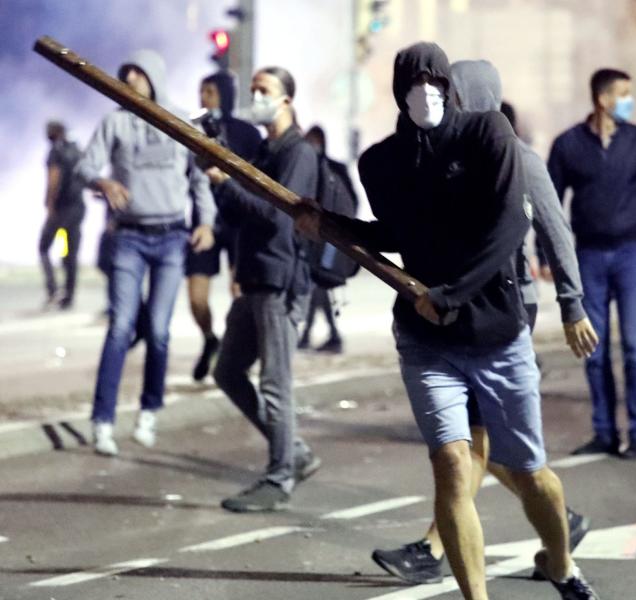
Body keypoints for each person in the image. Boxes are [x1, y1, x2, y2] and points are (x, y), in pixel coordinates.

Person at [299, 42, 599, 600]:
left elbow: (513, 225)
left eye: (435, 79)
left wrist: (561, 301)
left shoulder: (490, 135)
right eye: (412, 81)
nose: (425, 90)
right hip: (426, 339)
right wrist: (331, 225)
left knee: (530, 472)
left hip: (497, 331)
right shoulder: (383, 162)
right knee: (453, 466)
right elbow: (396, 234)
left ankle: (560, 562)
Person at [75, 50, 216, 456]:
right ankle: (102, 420)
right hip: (129, 239)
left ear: (155, 76)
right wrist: (103, 183)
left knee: (158, 330)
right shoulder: (115, 121)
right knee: (120, 327)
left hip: (172, 237)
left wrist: (205, 222)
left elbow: (200, 178)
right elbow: (85, 167)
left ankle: (149, 411)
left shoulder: (178, 121)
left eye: (138, 71)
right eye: (126, 72)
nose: (131, 77)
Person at [206, 66, 321, 513]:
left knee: (275, 386)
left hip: (280, 281)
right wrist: (219, 181)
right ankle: (295, 452)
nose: (255, 96)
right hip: (253, 278)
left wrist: (226, 183)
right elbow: (240, 214)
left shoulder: (298, 154)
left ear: (286, 100)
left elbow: (276, 214)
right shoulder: (262, 150)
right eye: (252, 88)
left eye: (264, 90)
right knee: (228, 371)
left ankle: (279, 476)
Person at [547, 68, 636, 459]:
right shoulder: (568, 144)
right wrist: (543, 254)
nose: (629, 101)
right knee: (594, 347)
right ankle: (604, 432)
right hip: (587, 255)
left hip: (631, 254)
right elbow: (549, 204)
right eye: (623, 94)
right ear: (602, 99)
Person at [186, 71, 262, 381]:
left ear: (226, 95)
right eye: (201, 92)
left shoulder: (247, 134)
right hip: (204, 223)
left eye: (211, 92)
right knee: (196, 297)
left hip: (238, 222)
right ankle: (209, 340)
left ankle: (236, 352)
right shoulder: (190, 131)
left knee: (239, 291)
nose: (204, 98)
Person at [298, 124, 358, 354]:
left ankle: (317, 335)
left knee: (321, 281)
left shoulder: (335, 168)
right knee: (319, 284)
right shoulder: (313, 167)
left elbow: (351, 201)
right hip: (317, 237)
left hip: (331, 237)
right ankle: (327, 335)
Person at [39, 121, 85, 310]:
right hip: (78, 207)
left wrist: (49, 204)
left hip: (61, 208)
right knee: (70, 253)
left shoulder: (55, 152)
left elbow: (53, 178)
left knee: (43, 247)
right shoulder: (77, 150)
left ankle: (53, 289)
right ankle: (69, 295)